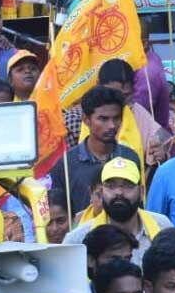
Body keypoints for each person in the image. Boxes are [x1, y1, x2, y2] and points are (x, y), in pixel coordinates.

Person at [50, 87, 142, 216]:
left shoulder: (130, 158)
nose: (112, 125)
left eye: (116, 118)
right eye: (103, 119)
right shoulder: (66, 164)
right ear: (86, 120)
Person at [64, 157, 172, 264]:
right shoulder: (78, 241)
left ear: (141, 192)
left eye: (128, 186)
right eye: (111, 186)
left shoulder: (162, 227)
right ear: (101, 193)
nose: (119, 192)